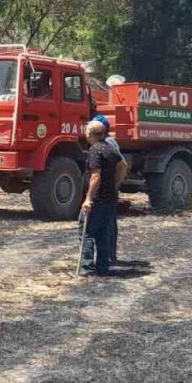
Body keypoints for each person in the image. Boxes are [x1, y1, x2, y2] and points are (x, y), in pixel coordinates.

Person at [80, 120, 128, 276]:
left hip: (97, 199)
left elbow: (95, 176)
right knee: (103, 232)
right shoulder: (110, 149)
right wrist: (115, 185)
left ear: (89, 134)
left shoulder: (94, 150)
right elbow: (123, 166)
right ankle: (102, 267)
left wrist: (88, 199)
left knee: (86, 232)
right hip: (110, 198)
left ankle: (87, 268)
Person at [93, 114, 123, 263]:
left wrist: (114, 185)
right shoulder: (107, 142)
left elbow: (122, 165)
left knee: (108, 224)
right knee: (108, 223)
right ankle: (110, 255)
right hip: (107, 192)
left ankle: (110, 256)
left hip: (107, 192)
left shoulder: (108, 143)